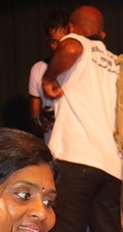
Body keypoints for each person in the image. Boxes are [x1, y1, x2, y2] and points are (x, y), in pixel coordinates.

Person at [41, 5, 123, 232]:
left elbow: (72, 47)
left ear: (73, 26)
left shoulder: (75, 44)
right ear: (102, 33)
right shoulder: (116, 63)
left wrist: (49, 77)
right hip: (110, 166)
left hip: (76, 159)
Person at [28, 11, 69, 142]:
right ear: (48, 41)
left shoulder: (83, 67)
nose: (59, 47)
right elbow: (34, 121)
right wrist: (43, 120)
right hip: (53, 146)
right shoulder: (38, 69)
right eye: (54, 42)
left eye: (64, 41)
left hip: (80, 148)